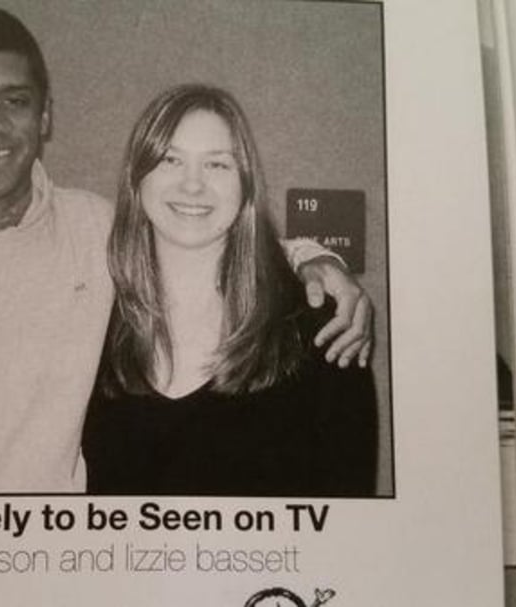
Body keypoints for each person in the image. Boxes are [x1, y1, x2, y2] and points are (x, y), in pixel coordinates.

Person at [0, 4, 372, 494]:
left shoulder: (88, 231)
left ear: (45, 116)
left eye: (15, 101)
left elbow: (202, 227)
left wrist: (316, 263)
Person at [82, 85, 377, 496]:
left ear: (246, 188)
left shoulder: (323, 331)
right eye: (170, 159)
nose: (192, 185)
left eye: (217, 165)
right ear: (137, 178)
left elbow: (348, 526)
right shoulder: (88, 322)